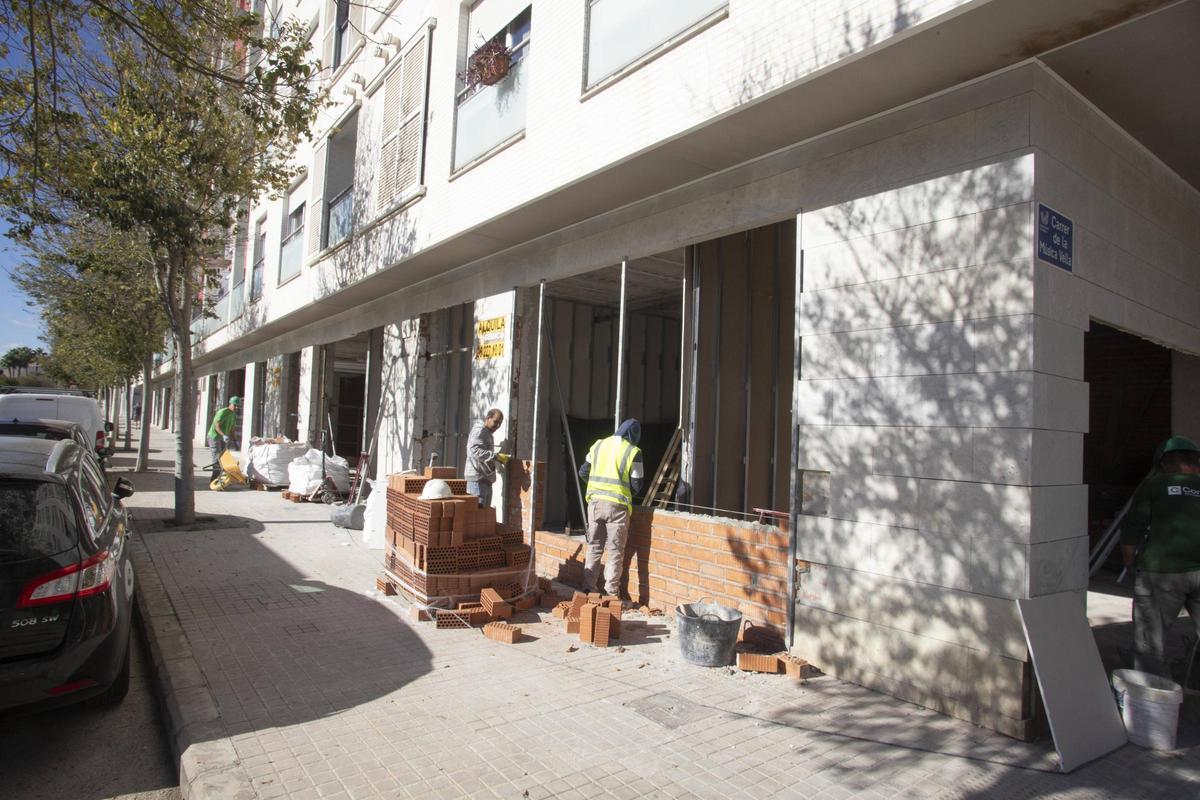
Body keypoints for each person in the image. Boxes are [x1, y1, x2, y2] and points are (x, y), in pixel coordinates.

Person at [1121, 435, 1200, 678]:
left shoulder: (1154, 486)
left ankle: (1149, 704)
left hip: (1160, 573)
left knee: (1149, 644)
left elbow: (1131, 529)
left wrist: (1130, 564)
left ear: (1164, 464)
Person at [579, 418, 644, 596]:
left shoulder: (599, 445)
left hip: (594, 504)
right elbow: (637, 485)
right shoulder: (633, 451)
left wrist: (597, 489)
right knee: (615, 550)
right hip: (617, 506)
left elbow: (583, 472)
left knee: (594, 546)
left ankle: (588, 589)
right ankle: (610, 593)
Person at [465, 408, 506, 508]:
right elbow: (473, 451)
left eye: (500, 424)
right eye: (495, 422)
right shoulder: (480, 430)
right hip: (477, 481)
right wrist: (495, 456)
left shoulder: (487, 432)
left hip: (484, 480)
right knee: (477, 516)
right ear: (488, 418)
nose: (497, 426)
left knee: (484, 517)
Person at [207, 396, 242, 482]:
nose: (236, 407)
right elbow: (217, 426)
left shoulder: (233, 415)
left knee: (223, 459)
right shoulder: (222, 412)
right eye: (235, 405)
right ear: (230, 404)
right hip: (214, 437)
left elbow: (232, 429)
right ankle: (213, 481)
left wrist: (235, 441)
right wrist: (223, 435)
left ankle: (218, 478)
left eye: (238, 406)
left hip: (223, 438)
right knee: (216, 459)